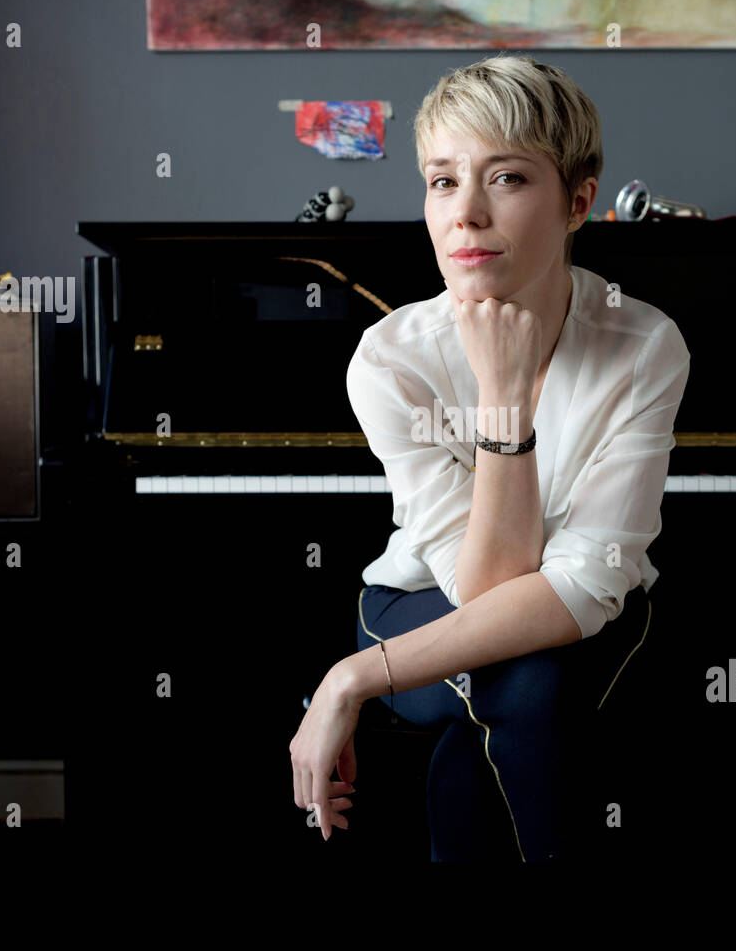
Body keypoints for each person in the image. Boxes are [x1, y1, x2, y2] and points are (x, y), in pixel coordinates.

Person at [289, 53, 691, 861]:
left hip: (585, 613)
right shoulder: (389, 358)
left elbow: (581, 584)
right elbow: (477, 589)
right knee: (533, 679)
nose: (465, 214)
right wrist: (503, 395)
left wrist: (350, 679)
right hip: (417, 599)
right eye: (442, 181)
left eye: (505, 178)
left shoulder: (644, 345)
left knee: (525, 684)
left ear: (578, 201)